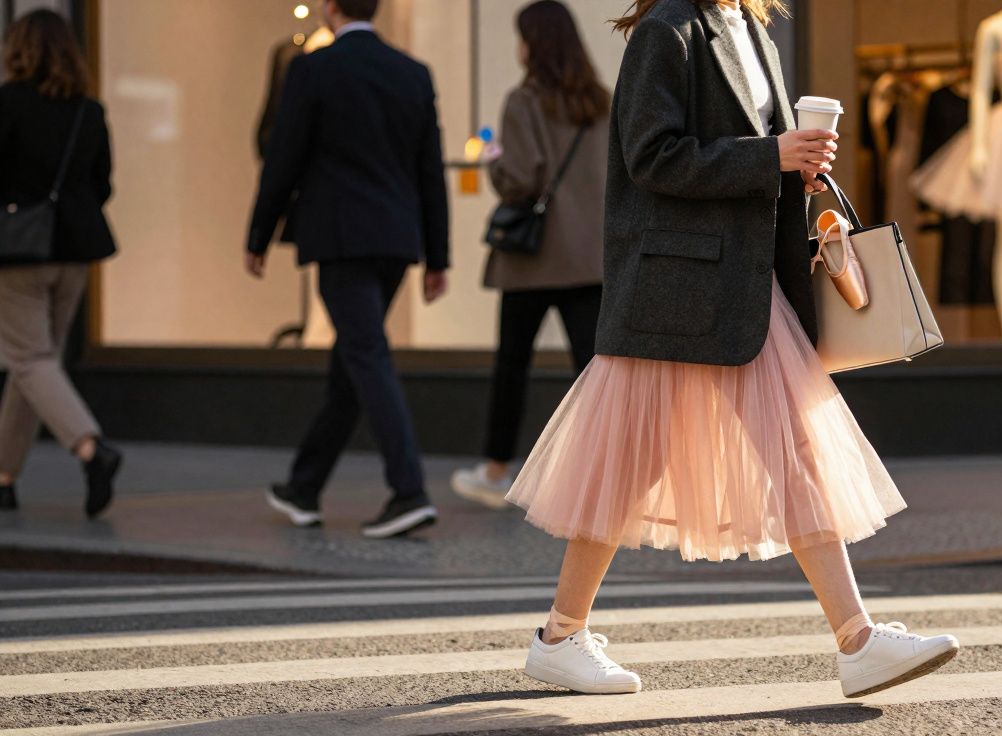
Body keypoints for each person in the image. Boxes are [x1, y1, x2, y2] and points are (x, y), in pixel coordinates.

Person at [506, 0, 960, 698]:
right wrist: (771, 154)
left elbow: (746, 159)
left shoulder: (756, 32)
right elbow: (650, 156)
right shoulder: (667, 31)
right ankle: (562, 637)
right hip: (679, 288)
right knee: (630, 461)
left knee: (792, 447)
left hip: (742, 284)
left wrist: (797, 169)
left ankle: (856, 639)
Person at [246, 0, 450, 539]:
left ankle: (409, 491)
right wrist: (438, 256)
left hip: (338, 236)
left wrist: (258, 235)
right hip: (397, 239)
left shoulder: (312, 68)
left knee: (364, 353)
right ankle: (304, 486)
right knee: (353, 359)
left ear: (332, 9)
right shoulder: (412, 72)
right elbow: (430, 169)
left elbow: (283, 157)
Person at [451, 1, 609, 509]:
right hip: (590, 257)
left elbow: (520, 179)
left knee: (512, 366)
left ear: (533, 44)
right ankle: (602, 475)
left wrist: (493, 162)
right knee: (594, 372)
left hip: (534, 260)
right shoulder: (601, 103)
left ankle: (497, 470)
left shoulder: (524, 102)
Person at [0, 9, 121, 517]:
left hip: (17, 252)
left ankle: (90, 447)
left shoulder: (6, 105)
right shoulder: (88, 111)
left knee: (28, 360)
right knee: (36, 363)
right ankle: (4, 476)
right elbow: (103, 185)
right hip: (76, 251)